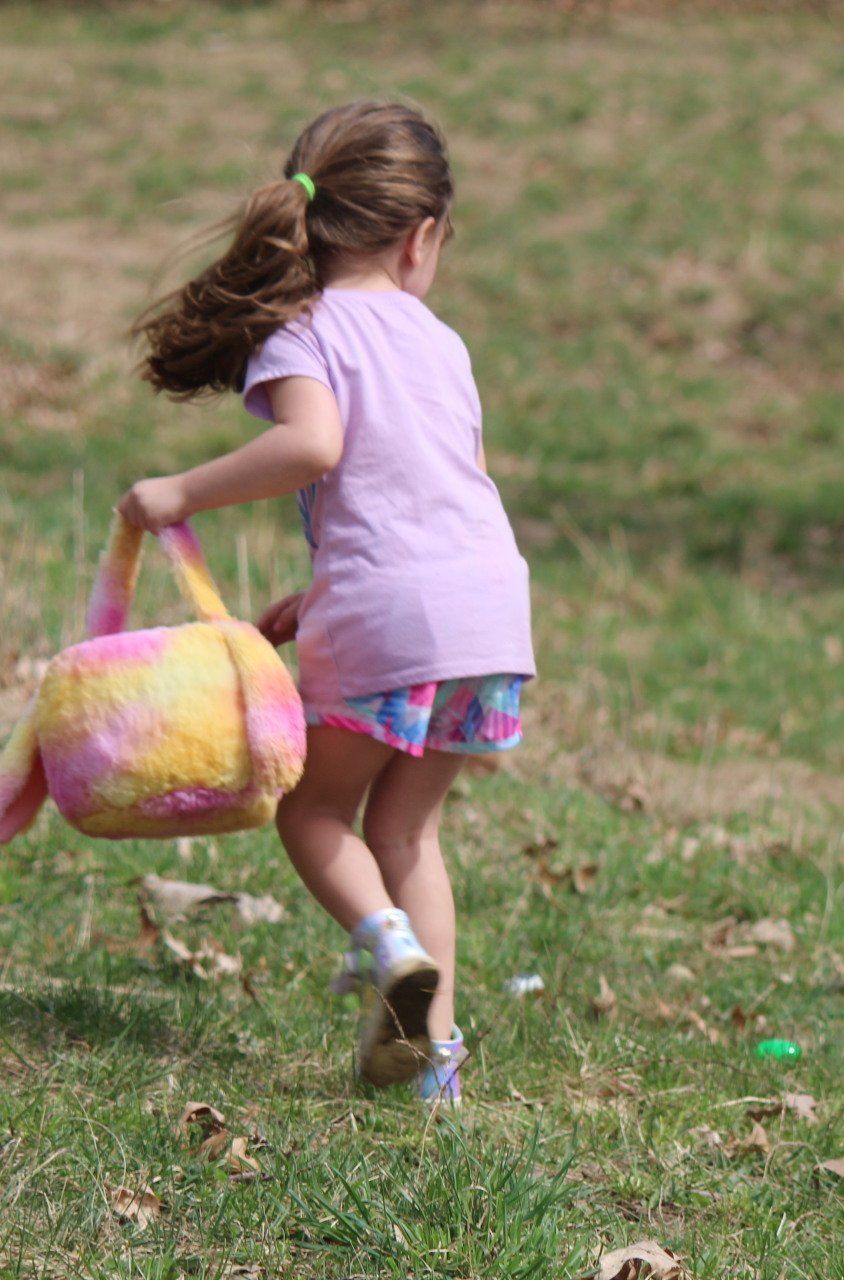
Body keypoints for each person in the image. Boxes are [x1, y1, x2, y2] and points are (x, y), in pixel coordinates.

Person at [119, 101, 535, 1108]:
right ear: (420, 236)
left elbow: (313, 446)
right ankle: (437, 1065)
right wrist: (325, 589)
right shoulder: (444, 343)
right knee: (409, 836)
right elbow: (448, 492)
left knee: (311, 809)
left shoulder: (306, 328)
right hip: (491, 613)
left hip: (392, 612)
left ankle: (388, 947)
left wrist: (179, 492)